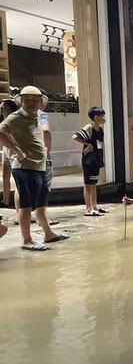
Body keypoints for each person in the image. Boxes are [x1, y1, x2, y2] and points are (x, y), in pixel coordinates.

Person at [0, 85, 68, 250]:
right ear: (21, 100)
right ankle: (26, 239)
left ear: (40, 101)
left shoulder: (37, 116)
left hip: (39, 166)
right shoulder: (16, 117)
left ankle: (48, 233)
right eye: (27, 99)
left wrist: (45, 151)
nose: (31, 102)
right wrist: (17, 150)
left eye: (35, 99)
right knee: (26, 205)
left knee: (41, 203)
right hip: (24, 167)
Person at [72, 106, 107, 216]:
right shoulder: (89, 128)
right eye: (102, 116)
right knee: (88, 184)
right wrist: (87, 144)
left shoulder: (100, 129)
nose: (104, 118)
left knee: (94, 183)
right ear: (96, 117)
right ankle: (88, 208)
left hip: (96, 158)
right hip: (89, 160)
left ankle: (95, 205)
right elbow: (75, 137)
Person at [0, 98, 17, 208]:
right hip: (6, 149)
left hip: (12, 149)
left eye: (3, 108)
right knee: (6, 175)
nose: (1, 110)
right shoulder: (4, 120)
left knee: (16, 176)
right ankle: (5, 199)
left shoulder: (14, 120)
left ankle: (16, 201)